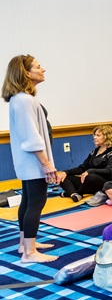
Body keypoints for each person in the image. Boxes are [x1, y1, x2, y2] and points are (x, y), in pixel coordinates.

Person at [3, 55, 58, 263]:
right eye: (38, 66)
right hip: (33, 161)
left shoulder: (22, 98)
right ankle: (29, 253)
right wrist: (46, 163)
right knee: (36, 202)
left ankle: (25, 243)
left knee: (28, 201)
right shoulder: (24, 100)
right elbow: (30, 136)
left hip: (29, 161)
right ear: (26, 72)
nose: (43, 69)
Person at [57, 125, 112, 202]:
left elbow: (110, 170)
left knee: (90, 177)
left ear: (107, 137)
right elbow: (82, 168)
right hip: (90, 182)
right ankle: (74, 194)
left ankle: (74, 192)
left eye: (98, 135)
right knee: (63, 178)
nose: (94, 137)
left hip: (107, 183)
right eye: (94, 135)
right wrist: (66, 172)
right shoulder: (94, 152)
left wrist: (91, 171)